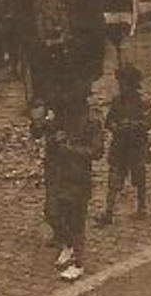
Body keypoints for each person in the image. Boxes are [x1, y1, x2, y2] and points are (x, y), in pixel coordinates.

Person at [37, 95, 105, 281]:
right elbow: (40, 133)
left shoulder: (92, 120)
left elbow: (97, 151)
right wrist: (41, 124)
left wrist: (70, 149)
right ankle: (68, 245)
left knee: (77, 221)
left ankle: (78, 263)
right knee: (53, 213)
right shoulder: (61, 117)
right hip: (57, 174)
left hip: (78, 177)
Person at [97, 64, 151, 225]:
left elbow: (150, 122)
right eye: (120, 83)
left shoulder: (143, 101)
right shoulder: (116, 101)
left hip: (136, 145)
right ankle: (109, 212)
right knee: (114, 178)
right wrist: (116, 126)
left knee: (139, 177)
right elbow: (108, 121)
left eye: (124, 83)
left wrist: (134, 124)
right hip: (120, 145)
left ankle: (142, 207)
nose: (121, 86)